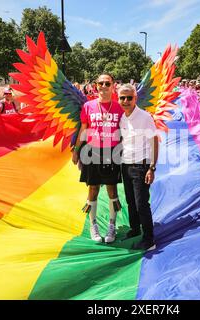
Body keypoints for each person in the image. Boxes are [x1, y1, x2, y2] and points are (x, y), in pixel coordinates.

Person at [72, 73, 124, 243]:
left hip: (112, 152)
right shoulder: (88, 106)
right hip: (92, 151)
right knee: (92, 189)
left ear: (113, 85)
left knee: (112, 189)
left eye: (107, 83)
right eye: (100, 83)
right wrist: (76, 150)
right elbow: (83, 129)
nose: (103, 86)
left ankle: (112, 225)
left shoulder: (119, 107)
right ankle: (93, 225)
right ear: (96, 85)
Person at [118, 84, 159, 251]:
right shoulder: (121, 118)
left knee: (142, 203)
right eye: (122, 98)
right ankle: (135, 229)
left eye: (129, 97)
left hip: (141, 166)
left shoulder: (145, 117)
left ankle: (149, 240)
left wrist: (152, 167)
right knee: (130, 201)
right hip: (125, 165)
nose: (126, 101)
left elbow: (154, 141)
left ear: (135, 98)